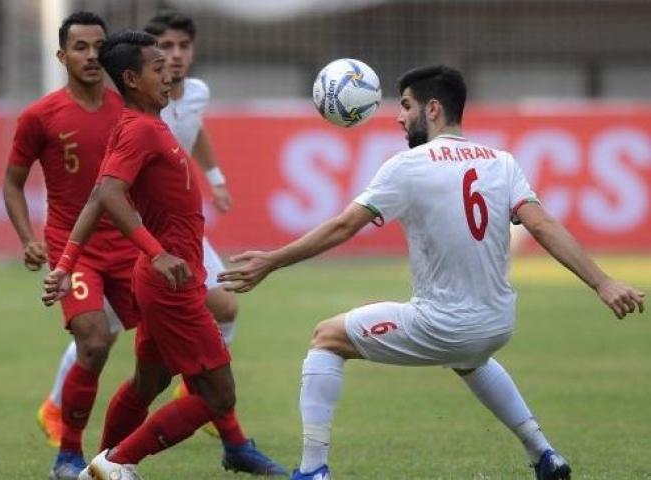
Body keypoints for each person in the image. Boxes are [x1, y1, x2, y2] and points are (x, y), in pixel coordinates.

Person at [218, 65, 646, 480]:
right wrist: (602, 282)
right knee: (469, 359)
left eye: (406, 106)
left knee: (326, 338)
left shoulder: (407, 166)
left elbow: (344, 225)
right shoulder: (502, 161)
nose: (399, 117)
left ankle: (312, 470)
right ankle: (544, 454)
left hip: (445, 323)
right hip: (498, 322)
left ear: (434, 109)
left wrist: (272, 261)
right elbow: (542, 225)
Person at [41, 30, 286, 479]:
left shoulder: (149, 126)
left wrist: (64, 264)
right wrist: (156, 253)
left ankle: (100, 464)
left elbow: (98, 195)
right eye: (157, 67)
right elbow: (111, 194)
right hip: (171, 282)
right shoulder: (140, 130)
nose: (169, 71)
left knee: (148, 382)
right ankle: (116, 462)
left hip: (167, 276)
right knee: (218, 397)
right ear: (132, 79)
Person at [2, 12, 140, 480]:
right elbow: (13, 183)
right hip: (72, 251)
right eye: (79, 47)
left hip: (126, 246)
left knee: (165, 348)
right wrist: (27, 239)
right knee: (95, 340)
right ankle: (68, 455)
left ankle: (225, 436)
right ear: (61, 55)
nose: (90, 55)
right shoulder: (40, 116)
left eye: (98, 46)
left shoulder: (127, 110)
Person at [143, 8, 238, 431]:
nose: (176, 55)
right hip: (139, 229)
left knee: (227, 305)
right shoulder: (141, 100)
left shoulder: (197, 92)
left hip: (181, 225)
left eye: (183, 45)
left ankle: (196, 393)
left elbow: (195, 129)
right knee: (100, 334)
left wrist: (215, 178)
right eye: (165, 46)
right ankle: (57, 408)